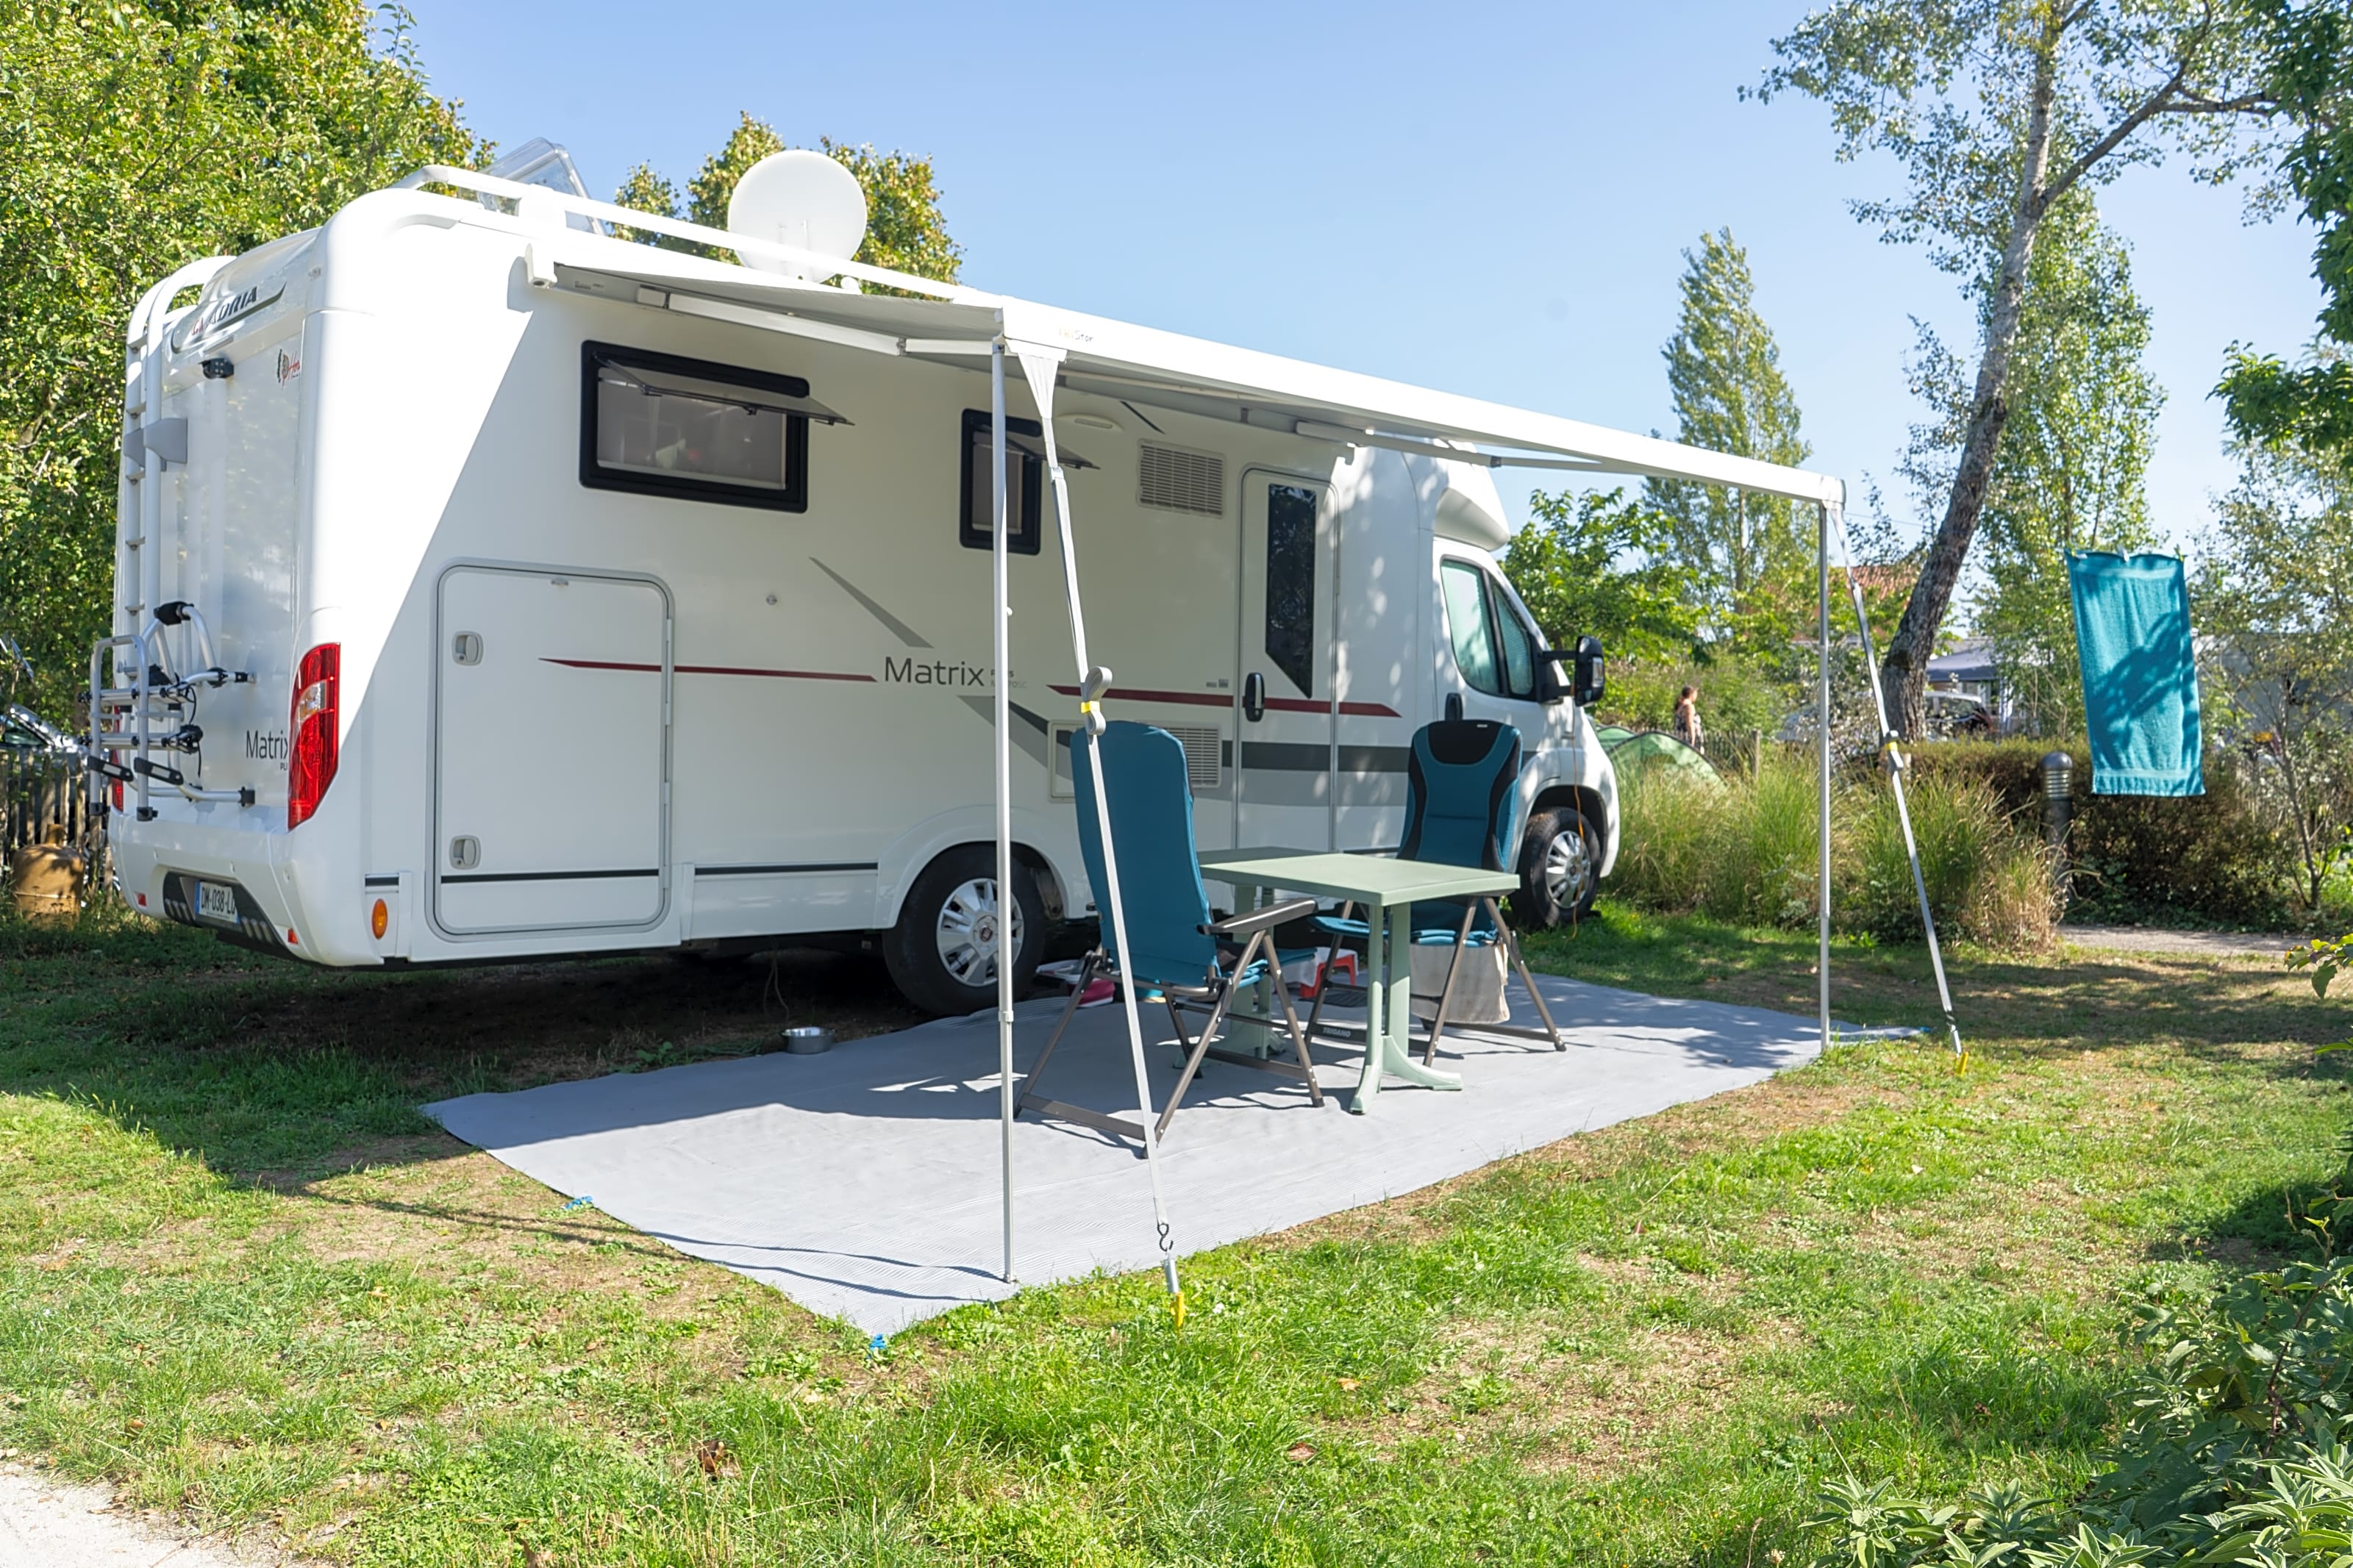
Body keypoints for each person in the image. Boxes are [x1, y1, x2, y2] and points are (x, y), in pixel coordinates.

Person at [1673, 685, 1703, 751]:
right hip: (1687, 737)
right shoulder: (1689, 707)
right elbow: (1690, 723)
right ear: (1691, 694)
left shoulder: (1680, 706)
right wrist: (1693, 739)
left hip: (1679, 736)